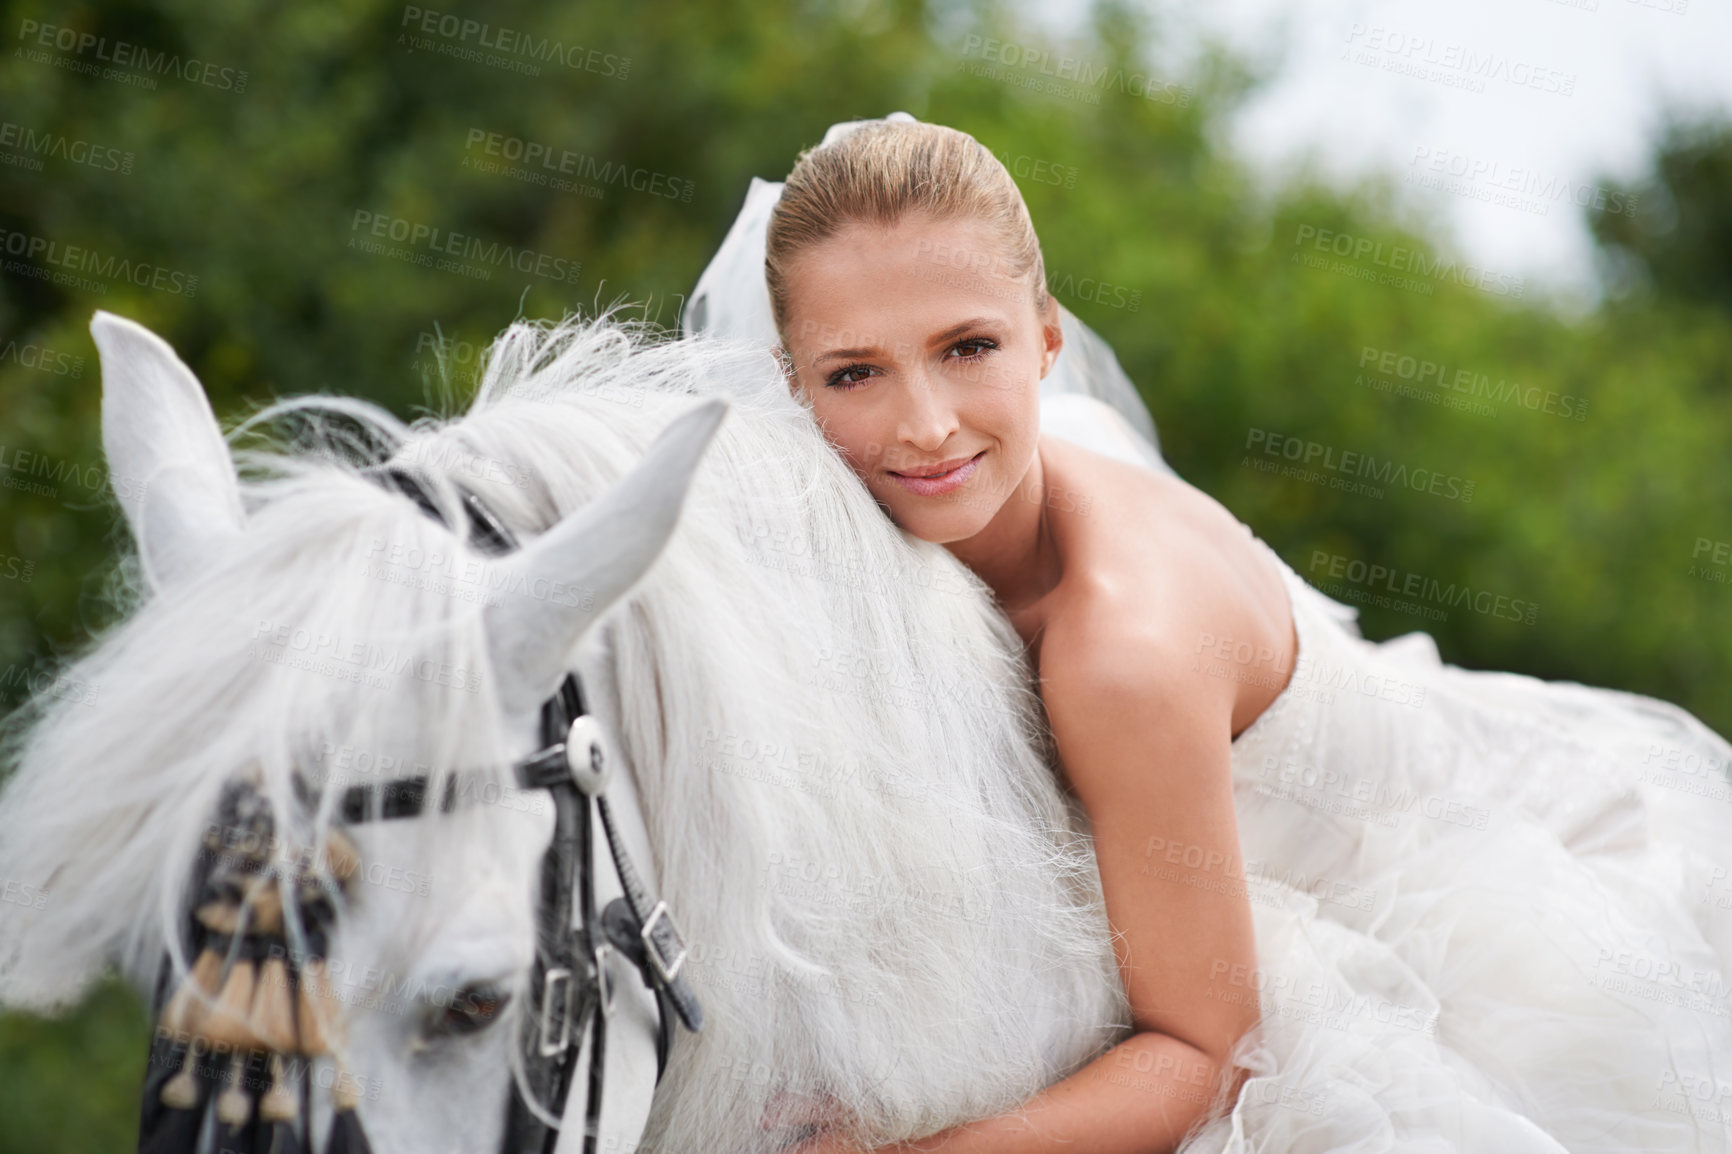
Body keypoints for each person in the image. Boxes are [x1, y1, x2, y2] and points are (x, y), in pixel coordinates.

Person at [686, 114, 1732, 1154]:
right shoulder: (986, 474)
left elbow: (1207, 1047)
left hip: (1441, 927)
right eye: (854, 373)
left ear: (1046, 336)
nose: (923, 423)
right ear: (790, 381)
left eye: (967, 347)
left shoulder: (1120, 657)